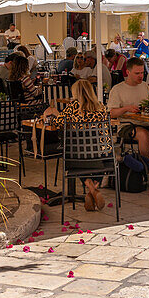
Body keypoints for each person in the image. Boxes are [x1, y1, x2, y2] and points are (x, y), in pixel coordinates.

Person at [41, 79, 108, 211]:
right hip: (101, 155)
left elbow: (57, 123)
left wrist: (54, 113)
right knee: (105, 155)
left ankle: (91, 190)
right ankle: (94, 190)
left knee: (76, 157)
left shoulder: (72, 108)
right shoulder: (101, 107)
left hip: (77, 156)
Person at [108, 57, 149, 161]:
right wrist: (126, 108)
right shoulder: (117, 89)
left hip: (147, 122)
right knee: (143, 134)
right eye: (137, 73)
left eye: (142, 73)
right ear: (128, 72)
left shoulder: (145, 86)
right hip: (127, 125)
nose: (141, 76)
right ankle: (147, 169)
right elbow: (111, 113)